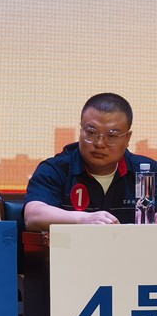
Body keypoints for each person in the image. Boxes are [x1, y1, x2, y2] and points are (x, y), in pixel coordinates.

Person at [24, 92, 156, 231]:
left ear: (127, 138)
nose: (99, 143)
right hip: (72, 246)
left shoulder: (148, 172)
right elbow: (33, 215)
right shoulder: (56, 169)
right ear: (81, 130)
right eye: (91, 133)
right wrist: (83, 219)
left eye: (112, 136)